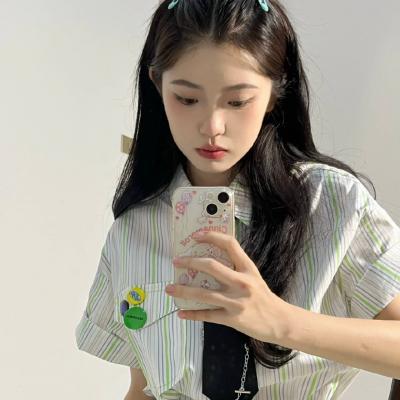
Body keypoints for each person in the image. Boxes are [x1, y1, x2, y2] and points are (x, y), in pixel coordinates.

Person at [74, 0, 400, 399]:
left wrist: (280, 321)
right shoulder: (133, 230)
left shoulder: (333, 205)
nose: (212, 126)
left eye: (237, 101)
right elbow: (143, 390)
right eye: (187, 99)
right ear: (157, 85)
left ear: (274, 94)